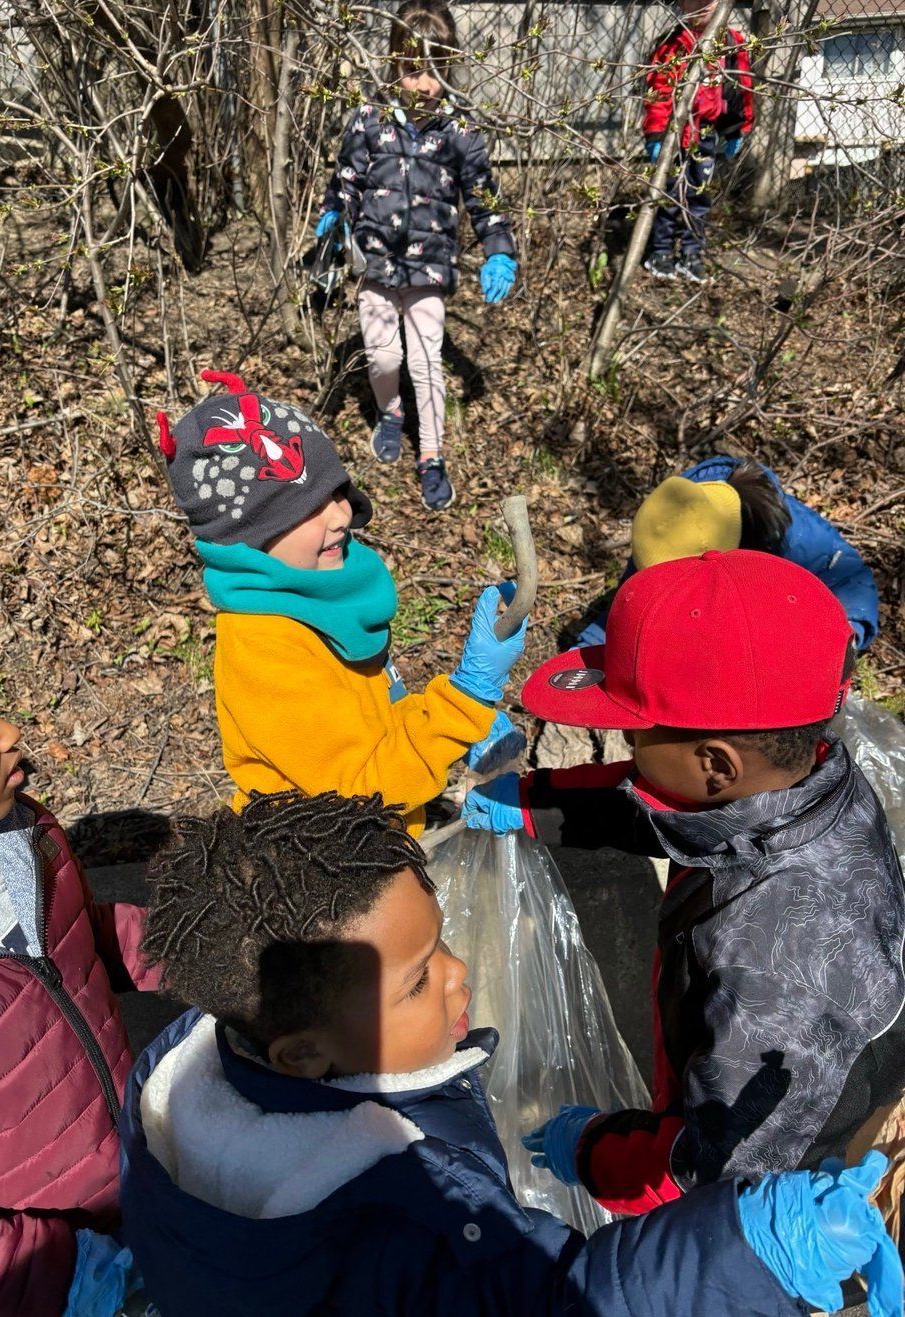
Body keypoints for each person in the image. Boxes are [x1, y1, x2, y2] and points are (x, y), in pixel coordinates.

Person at [119, 789, 901, 1317]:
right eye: (418, 980)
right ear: (302, 1053)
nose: (459, 972)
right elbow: (551, 1299)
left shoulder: (177, 1085)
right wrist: (746, 1245)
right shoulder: (406, 1219)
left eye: (440, 942)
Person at [463, 550, 905, 1241]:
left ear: (717, 763)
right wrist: (533, 802)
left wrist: (596, 1147)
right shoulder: (805, 786)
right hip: (750, 1067)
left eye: (635, 733)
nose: (625, 743)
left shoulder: (774, 962)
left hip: (784, 1177)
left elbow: (710, 1166)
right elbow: (675, 810)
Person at [0, 599, 159, 1315]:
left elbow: (81, 944)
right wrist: (57, 1276)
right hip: (46, 1275)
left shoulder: (21, 838)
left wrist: (193, 946)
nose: (12, 732)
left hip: (146, 1175)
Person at [156, 369, 525, 838]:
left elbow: (372, 725)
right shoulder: (266, 649)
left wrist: (455, 728)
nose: (342, 514)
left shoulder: (319, 596)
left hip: (377, 843)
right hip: (328, 863)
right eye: (307, 508)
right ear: (246, 537)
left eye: (335, 492)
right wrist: (464, 703)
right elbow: (358, 796)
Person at [316, 0, 518, 509]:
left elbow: (483, 196)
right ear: (393, 65)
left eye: (437, 71)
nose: (425, 85)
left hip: (429, 266)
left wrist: (499, 248)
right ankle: (390, 412)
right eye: (412, 71)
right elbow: (347, 178)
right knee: (384, 357)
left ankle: (431, 453)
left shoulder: (460, 131)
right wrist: (334, 213)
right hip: (376, 262)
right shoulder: (369, 118)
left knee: (427, 360)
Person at [578, 455, 880, 649]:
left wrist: (844, 638)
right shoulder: (662, 530)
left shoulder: (788, 533)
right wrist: (586, 655)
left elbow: (852, 581)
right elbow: (629, 612)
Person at [642, 0, 754, 283]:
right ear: (681, 1)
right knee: (668, 194)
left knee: (699, 195)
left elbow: (740, 89)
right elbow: (659, 92)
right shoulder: (674, 44)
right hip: (674, 134)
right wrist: (655, 135)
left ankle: (692, 252)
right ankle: (661, 250)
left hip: (706, 134)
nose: (704, 2)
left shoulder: (732, 43)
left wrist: (736, 129)